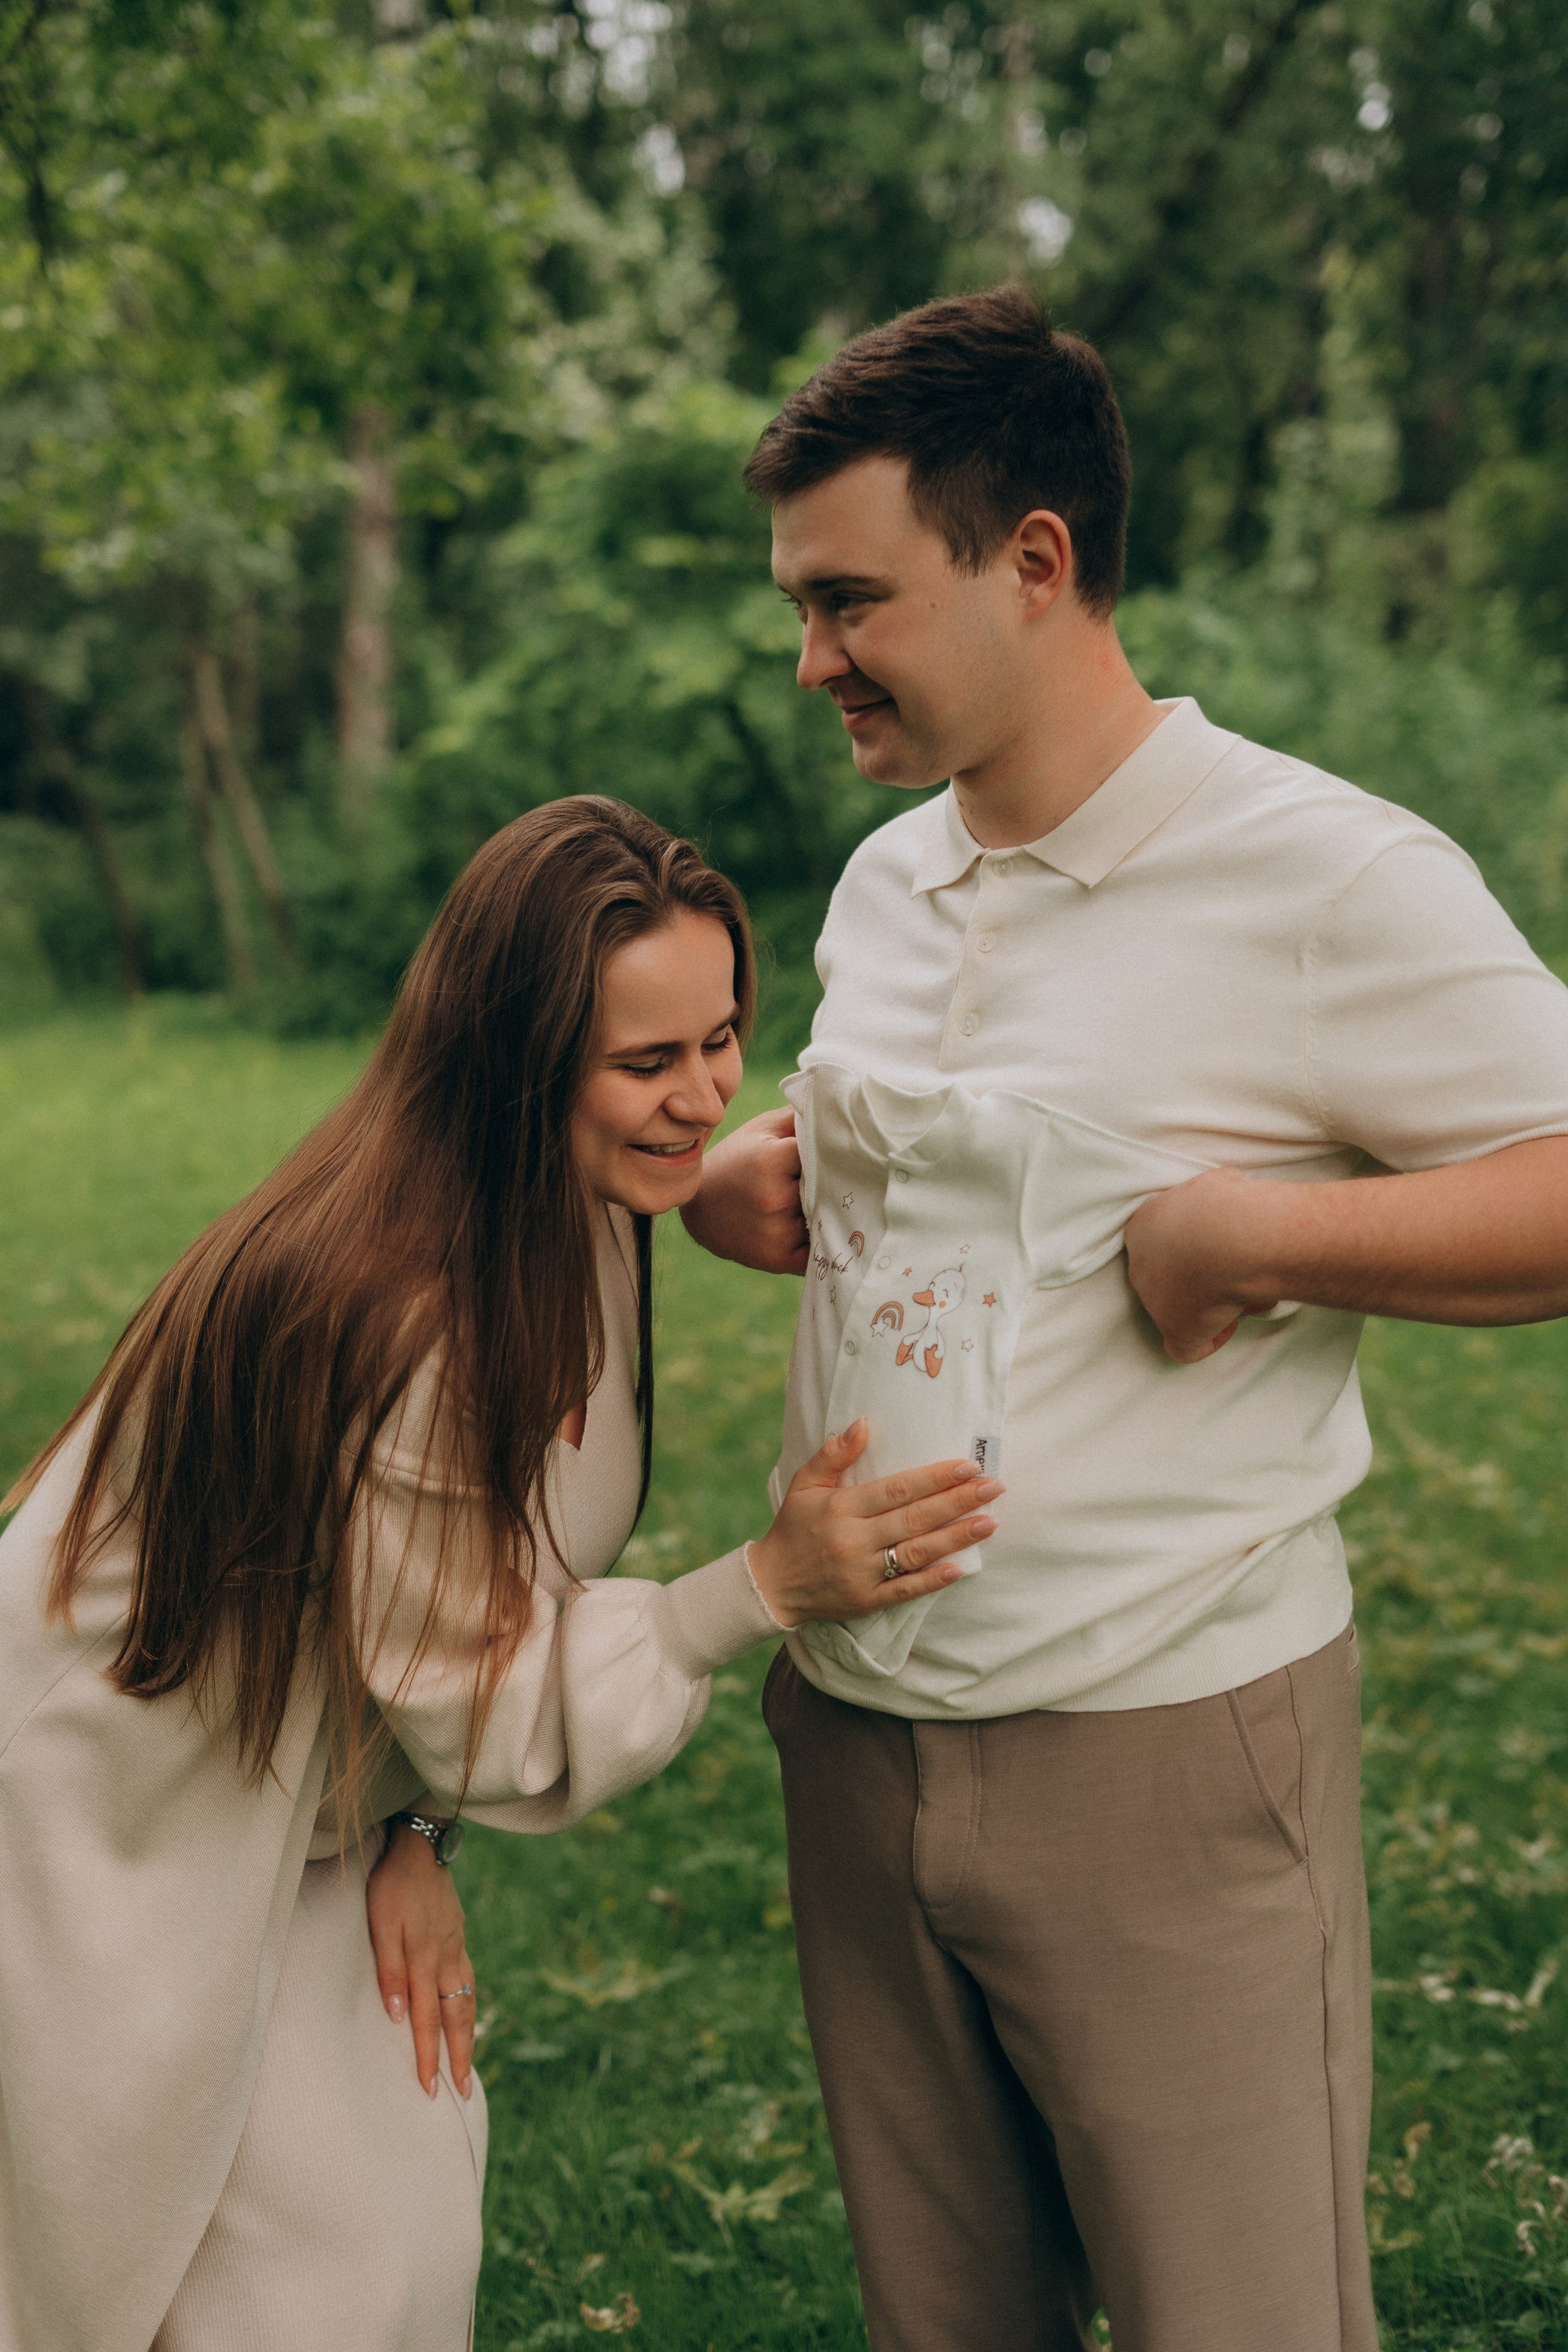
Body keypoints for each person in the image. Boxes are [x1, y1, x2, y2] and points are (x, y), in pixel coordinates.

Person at [680, 285, 1568, 2352]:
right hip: (860, 1745)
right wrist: (757, 1170)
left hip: (1168, 1747)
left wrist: (1253, 1233)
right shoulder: (889, 884)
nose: (811, 658)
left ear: (1039, 562)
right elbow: (917, 1166)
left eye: (850, 601)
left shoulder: (1328, 876)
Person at [0, 796, 1001, 2352]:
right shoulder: (406, 1315)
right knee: (227, 2285)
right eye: (644, 1063)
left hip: (313, 1785)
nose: (699, 1096)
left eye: (720, 1041)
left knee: (388, 2229)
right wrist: (758, 1588)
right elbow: (481, 1687)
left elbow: (455, 1593)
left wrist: (413, 1827)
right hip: (116, 1811)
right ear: (519, 1061)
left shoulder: (559, 1198)